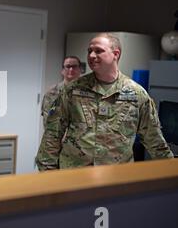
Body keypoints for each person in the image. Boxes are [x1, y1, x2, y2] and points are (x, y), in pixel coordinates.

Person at [36, 33, 173, 171]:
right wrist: (48, 173)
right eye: (89, 51)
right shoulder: (72, 90)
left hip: (116, 179)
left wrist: (171, 171)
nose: (91, 55)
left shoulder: (136, 94)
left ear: (116, 54)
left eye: (98, 51)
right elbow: (52, 135)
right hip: (75, 175)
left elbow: (154, 139)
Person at [41, 56, 82, 127]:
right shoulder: (52, 93)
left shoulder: (88, 92)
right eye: (68, 66)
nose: (71, 69)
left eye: (74, 66)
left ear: (80, 70)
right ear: (62, 70)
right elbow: (47, 120)